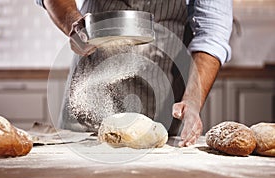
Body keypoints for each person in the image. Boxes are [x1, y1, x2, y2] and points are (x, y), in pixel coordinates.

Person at [36, 0, 233, 147]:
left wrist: (192, 100)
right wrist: (72, 23)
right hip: (89, 91)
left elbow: (212, 33)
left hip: (163, 93)